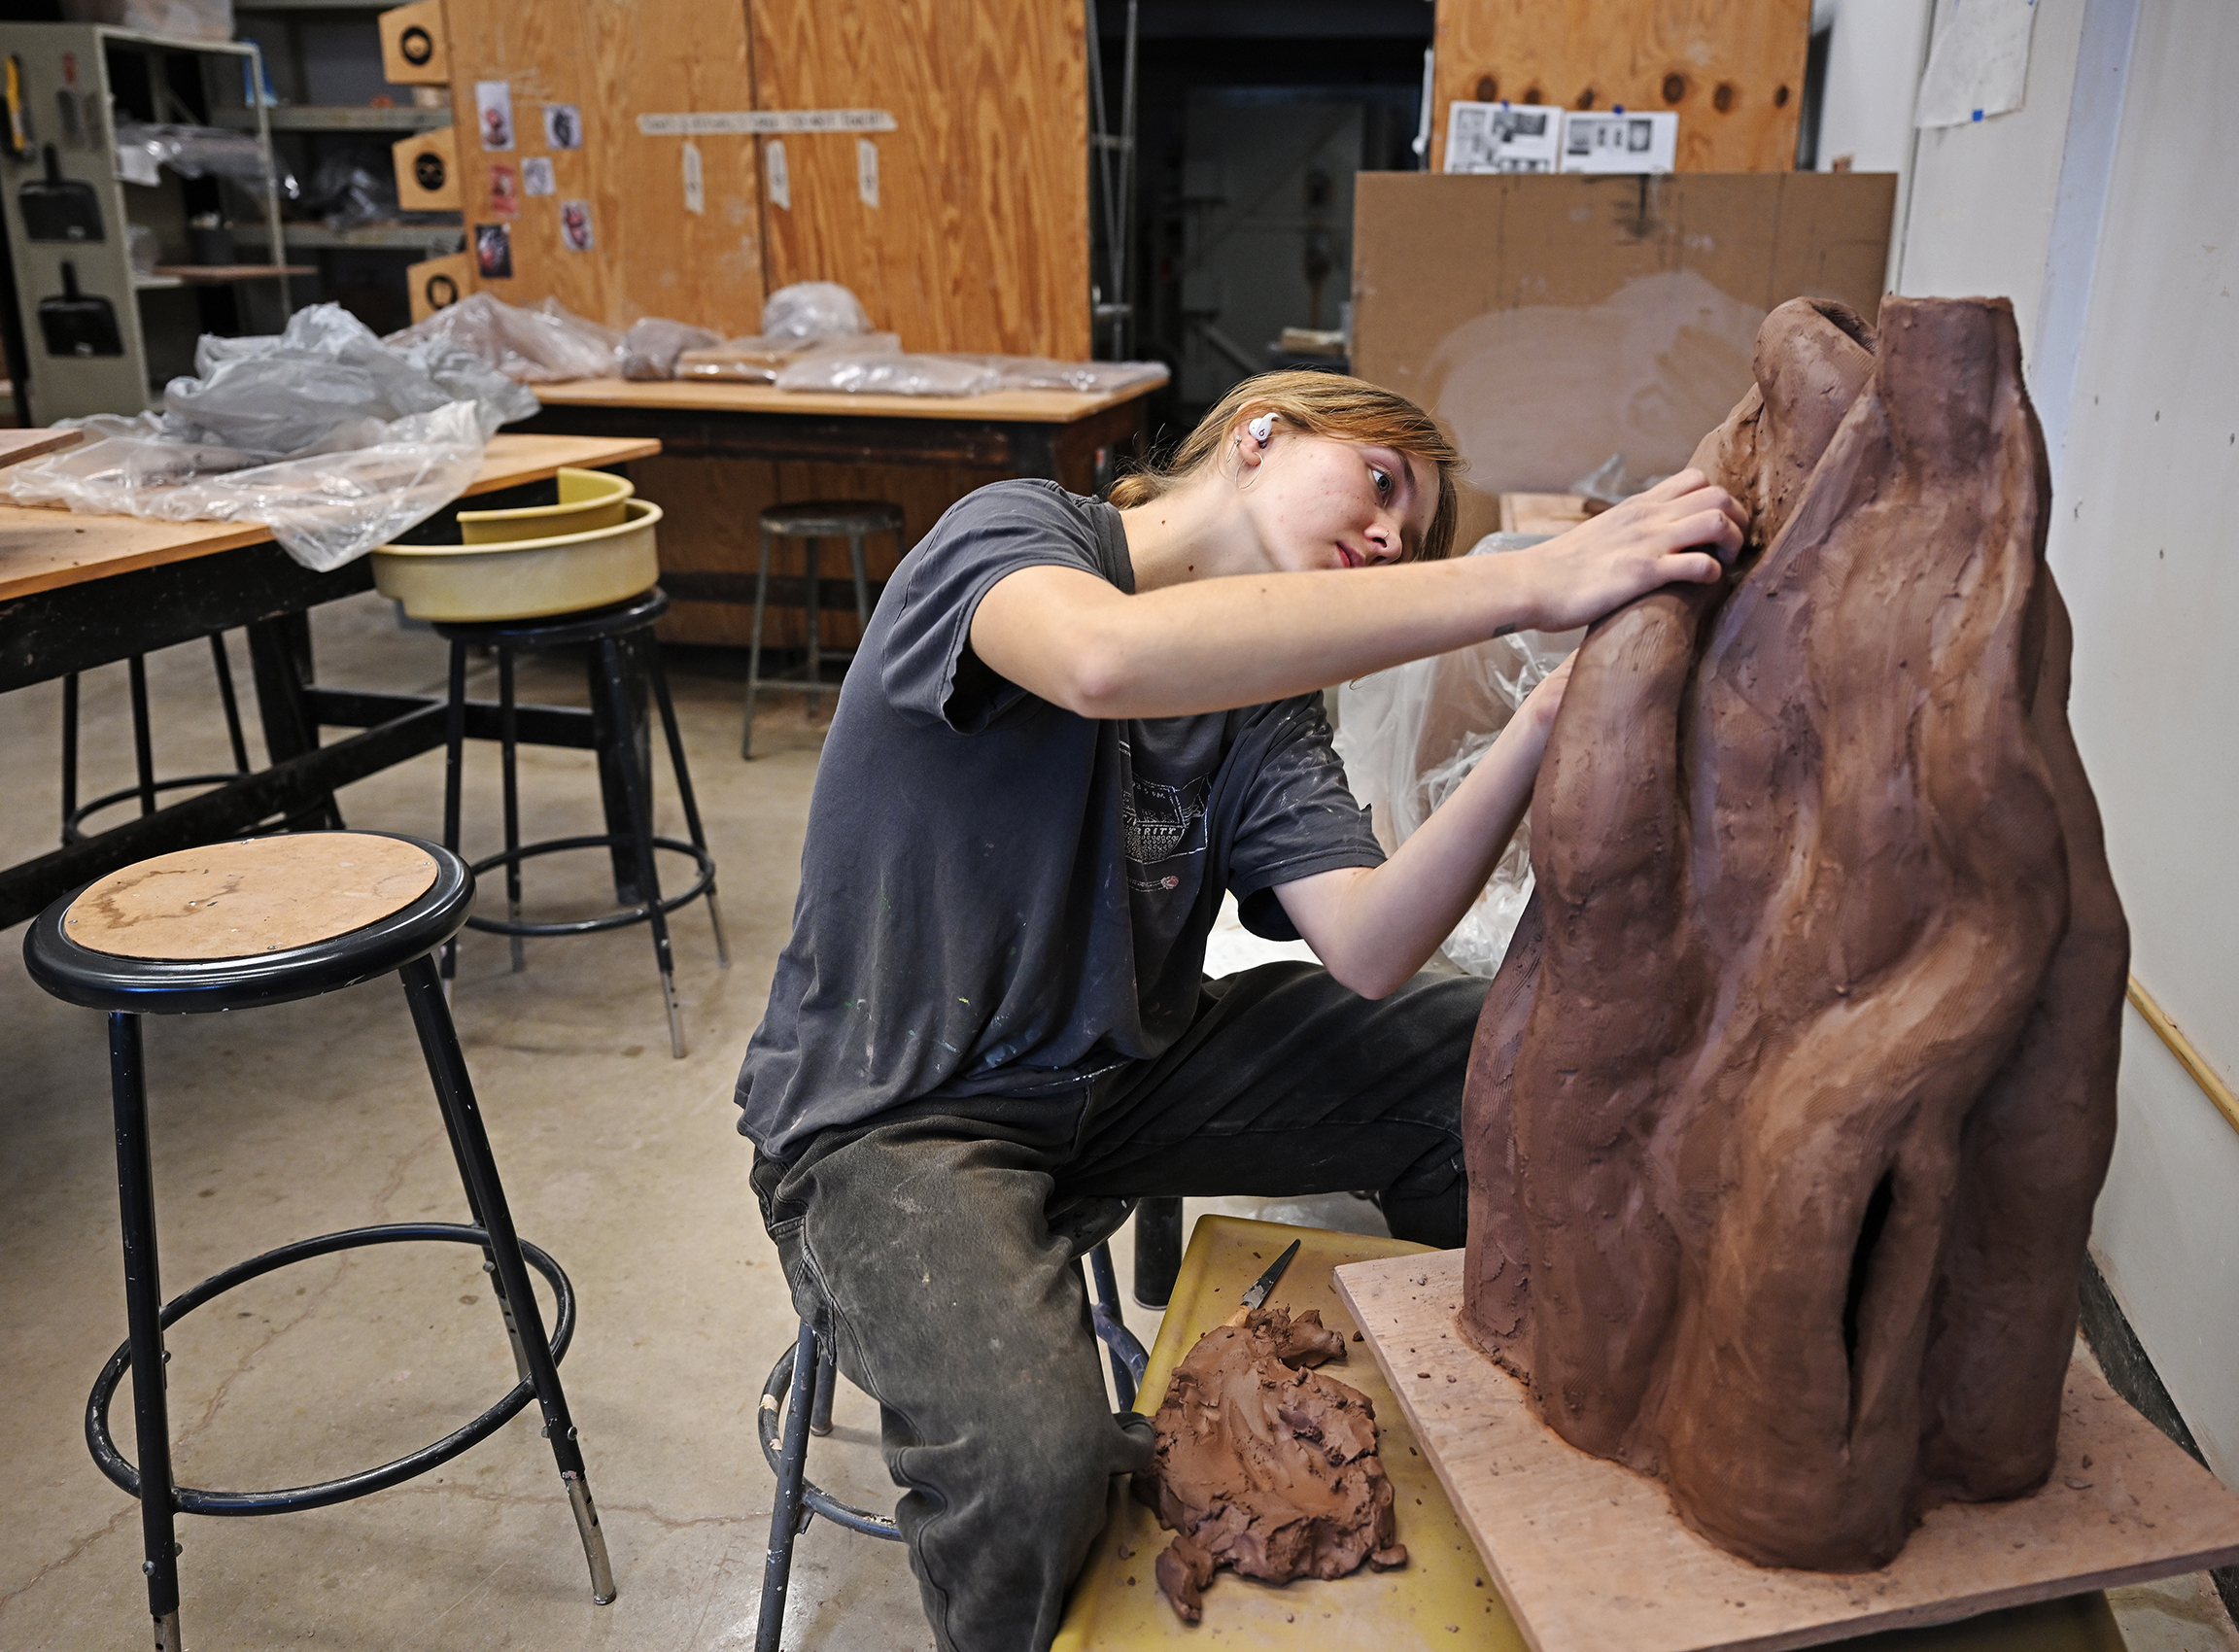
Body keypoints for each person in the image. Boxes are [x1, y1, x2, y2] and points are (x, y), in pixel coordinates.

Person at [737, 370, 1743, 1652]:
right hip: (894, 1113)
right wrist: (1535, 581)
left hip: (1123, 1079)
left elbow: (1369, 945)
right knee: (1036, 1467)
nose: (1389, 538)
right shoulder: (1013, 537)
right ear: (1261, 431)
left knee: (1493, 1052)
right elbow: (1104, 660)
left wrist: (1542, 722)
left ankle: (1499, 1402)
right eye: (1381, 484)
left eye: (1411, 535)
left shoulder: (1264, 712)